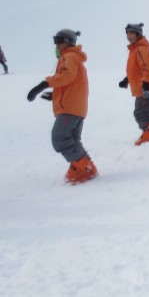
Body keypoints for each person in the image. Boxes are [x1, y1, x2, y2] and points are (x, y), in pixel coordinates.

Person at [26, 29, 98, 184]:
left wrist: (43, 85)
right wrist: (54, 95)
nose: (56, 45)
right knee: (72, 139)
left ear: (68, 42)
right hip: (74, 106)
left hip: (70, 109)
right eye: (55, 41)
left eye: (59, 41)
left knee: (60, 138)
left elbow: (66, 76)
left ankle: (85, 167)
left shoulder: (70, 57)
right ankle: (81, 166)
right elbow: (71, 84)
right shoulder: (71, 58)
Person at [119, 23, 149, 145]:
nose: (129, 36)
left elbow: (147, 68)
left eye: (132, 34)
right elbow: (136, 71)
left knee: (140, 112)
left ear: (138, 34)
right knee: (146, 110)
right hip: (143, 87)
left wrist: (146, 85)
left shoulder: (141, 50)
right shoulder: (135, 50)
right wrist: (126, 80)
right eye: (127, 34)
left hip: (146, 88)